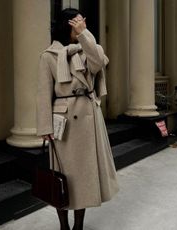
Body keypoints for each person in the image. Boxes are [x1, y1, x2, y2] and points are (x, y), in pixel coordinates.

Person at [36, 8, 119, 230]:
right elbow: (43, 94)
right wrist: (45, 126)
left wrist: (85, 35)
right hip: (63, 123)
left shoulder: (89, 49)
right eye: (77, 22)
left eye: (83, 21)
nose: (81, 25)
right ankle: (63, 225)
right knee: (62, 177)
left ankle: (78, 226)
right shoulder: (49, 55)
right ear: (66, 25)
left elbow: (99, 63)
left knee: (83, 177)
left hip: (88, 119)